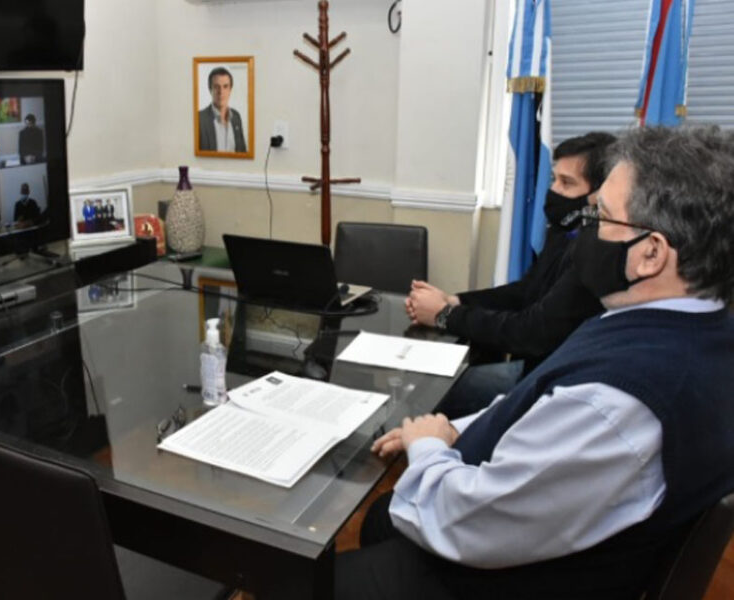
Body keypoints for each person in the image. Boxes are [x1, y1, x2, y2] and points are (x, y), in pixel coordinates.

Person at [335, 126, 734, 600]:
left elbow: (463, 522)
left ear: (650, 253)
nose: (586, 230)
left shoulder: (619, 401)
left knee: (306, 578)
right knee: (383, 521)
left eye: (601, 216)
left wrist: (427, 449)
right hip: (528, 536)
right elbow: (542, 399)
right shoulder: (678, 328)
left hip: (498, 575)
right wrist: (450, 430)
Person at [406, 132, 615, 415]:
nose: (553, 190)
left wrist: (444, 315)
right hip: (533, 371)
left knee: (433, 394)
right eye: (554, 179)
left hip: (551, 391)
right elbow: (525, 291)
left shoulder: (596, 252)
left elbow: (531, 331)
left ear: (600, 196)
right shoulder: (565, 232)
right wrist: (454, 300)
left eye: (566, 183)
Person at [198, 66, 247, 153]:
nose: (221, 92)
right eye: (216, 87)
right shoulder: (199, 119)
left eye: (225, 86)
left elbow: (242, 151)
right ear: (210, 89)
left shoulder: (236, 117)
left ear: (230, 90)